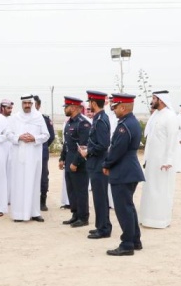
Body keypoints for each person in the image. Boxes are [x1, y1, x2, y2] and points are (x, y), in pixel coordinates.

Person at [102, 93, 145, 256]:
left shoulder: (124, 125)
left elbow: (117, 149)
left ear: (123, 107)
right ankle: (135, 240)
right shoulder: (130, 122)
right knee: (128, 206)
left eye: (115, 107)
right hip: (128, 170)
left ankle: (127, 244)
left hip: (123, 171)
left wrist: (107, 164)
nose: (113, 110)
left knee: (123, 209)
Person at [5, 94, 49, 222]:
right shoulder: (15, 118)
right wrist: (19, 137)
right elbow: (8, 133)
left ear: (32, 104)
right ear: (22, 104)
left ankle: (35, 212)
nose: (27, 105)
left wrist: (34, 138)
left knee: (34, 182)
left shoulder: (38, 117)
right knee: (19, 183)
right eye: (25, 103)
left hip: (34, 156)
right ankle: (18, 214)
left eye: (29, 103)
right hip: (19, 157)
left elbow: (46, 135)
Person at [139, 90, 179, 229]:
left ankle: (161, 220)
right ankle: (148, 218)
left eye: (154, 98)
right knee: (150, 189)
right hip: (152, 160)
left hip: (163, 162)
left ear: (161, 100)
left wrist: (168, 160)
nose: (152, 101)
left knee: (161, 190)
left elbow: (173, 140)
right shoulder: (156, 114)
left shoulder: (170, 116)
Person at [81, 91, 112, 240]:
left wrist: (88, 151)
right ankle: (101, 225)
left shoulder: (100, 120)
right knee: (99, 196)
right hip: (96, 163)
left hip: (98, 163)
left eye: (89, 102)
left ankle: (104, 228)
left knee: (100, 197)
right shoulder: (99, 118)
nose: (88, 105)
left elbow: (103, 144)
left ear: (94, 103)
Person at [59, 96, 91, 228]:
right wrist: (62, 158)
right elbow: (67, 143)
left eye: (66, 107)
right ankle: (75, 214)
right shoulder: (70, 122)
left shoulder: (83, 123)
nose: (65, 109)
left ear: (73, 107)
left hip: (79, 161)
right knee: (71, 189)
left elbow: (83, 146)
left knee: (80, 190)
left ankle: (83, 217)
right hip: (69, 159)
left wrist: (75, 163)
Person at [34, 95, 56, 211]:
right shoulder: (23, 119)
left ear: (38, 105)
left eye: (34, 104)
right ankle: (31, 200)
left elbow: (51, 136)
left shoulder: (45, 119)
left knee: (43, 177)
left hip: (42, 153)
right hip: (29, 153)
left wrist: (43, 146)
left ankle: (43, 201)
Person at [0, 98, 14, 203]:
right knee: (1, 174)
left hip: (11, 150)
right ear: (2, 108)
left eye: (11, 108)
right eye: (8, 108)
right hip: (1, 150)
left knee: (11, 174)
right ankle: (1, 198)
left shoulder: (12, 119)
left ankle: (9, 198)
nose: (10, 110)